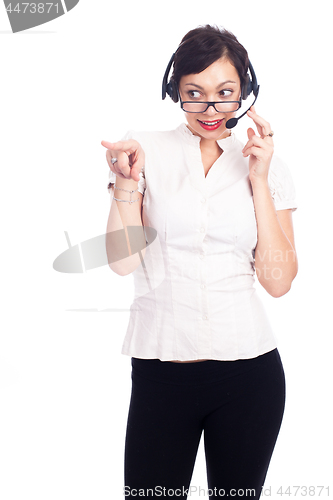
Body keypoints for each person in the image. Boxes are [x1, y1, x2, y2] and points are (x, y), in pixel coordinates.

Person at [102, 24, 298, 500]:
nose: (211, 110)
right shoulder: (143, 150)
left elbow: (277, 282)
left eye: (225, 93)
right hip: (162, 369)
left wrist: (258, 180)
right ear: (176, 90)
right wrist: (128, 183)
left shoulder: (265, 164)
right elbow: (123, 262)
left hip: (250, 374)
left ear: (245, 91)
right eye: (195, 93)